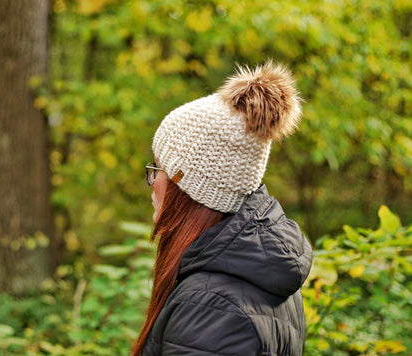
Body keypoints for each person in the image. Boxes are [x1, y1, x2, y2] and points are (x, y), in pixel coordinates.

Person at [132, 61, 313, 356]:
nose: (152, 182)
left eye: (158, 169)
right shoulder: (261, 268)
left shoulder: (210, 306)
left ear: (187, 188)